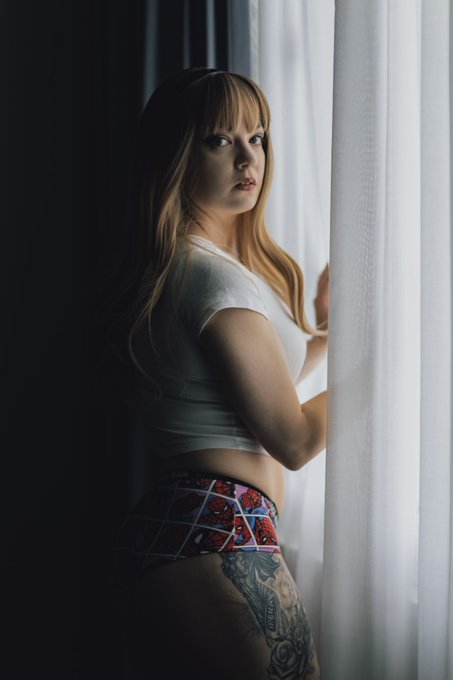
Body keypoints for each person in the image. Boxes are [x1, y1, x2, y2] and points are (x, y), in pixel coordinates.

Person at [110, 67, 329, 680]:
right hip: (216, 527)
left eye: (256, 137)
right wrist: (382, 373)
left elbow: (254, 381)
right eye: (220, 140)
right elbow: (294, 439)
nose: (248, 157)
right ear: (177, 155)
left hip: (187, 524)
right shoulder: (214, 279)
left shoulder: (188, 264)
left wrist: (329, 336)